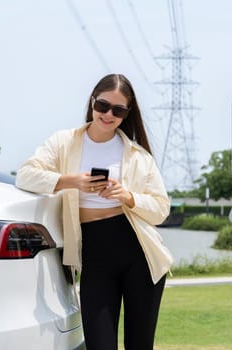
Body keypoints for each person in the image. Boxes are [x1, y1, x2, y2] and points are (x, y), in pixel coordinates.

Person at [15, 73, 173, 350]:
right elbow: (25, 175)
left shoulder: (138, 155)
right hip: (94, 255)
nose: (108, 114)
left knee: (140, 345)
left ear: (127, 113)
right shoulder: (63, 142)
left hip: (140, 253)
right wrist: (70, 181)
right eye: (103, 105)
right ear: (92, 102)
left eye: (118, 109)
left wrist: (127, 196)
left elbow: (161, 210)